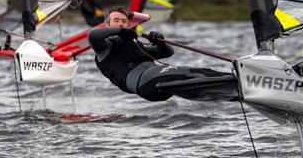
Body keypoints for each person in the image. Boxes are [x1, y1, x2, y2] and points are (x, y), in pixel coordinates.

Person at [88, 6, 225, 101]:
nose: (121, 24)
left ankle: (230, 82)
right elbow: (92, 35)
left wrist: (159, 40)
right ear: (107, 25)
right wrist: (120, 32)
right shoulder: (104, 48)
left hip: (160, 83)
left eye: (124, 21)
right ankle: (229, 80)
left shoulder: (135, 44)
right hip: (143, 83)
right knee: (183, 72)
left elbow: (167, 52)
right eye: (116, 21)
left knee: (195, 71)